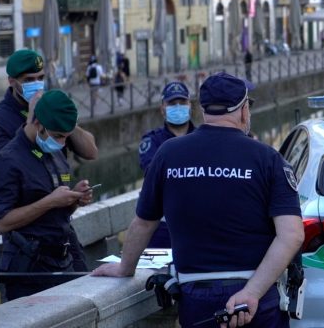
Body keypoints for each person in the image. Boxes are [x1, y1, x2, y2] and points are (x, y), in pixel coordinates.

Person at [93, 72, 303, 328]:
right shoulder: (268, 158)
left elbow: (143, 222)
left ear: (203, 110)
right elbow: (291, 235)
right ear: (243, 109)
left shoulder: (168, 154)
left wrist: (125, 267)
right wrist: (253, 292)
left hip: (196, 297)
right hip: (254, 297)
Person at [0, 90, 94, 300]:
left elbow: (59, 209)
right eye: (58, 136)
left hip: (63, 258)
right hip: (28, 268)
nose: (62, 143)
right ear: (38, 123)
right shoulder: (8, 160)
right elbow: (0, 223)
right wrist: (49, 202)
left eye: (66, 137)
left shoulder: (55, 150)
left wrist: (75, 198)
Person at [0, 49, 98, 160]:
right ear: (12, 81)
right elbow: (3, 164)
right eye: (29, 79)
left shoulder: (50, 106)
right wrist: (29, 125)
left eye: (41, 78)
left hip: (62, 177)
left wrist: (66, 120)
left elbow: (91, 153)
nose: (36, 84)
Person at [137, 81, 196, 248]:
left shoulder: (202, 137)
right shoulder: (152, 140)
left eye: (182, 102)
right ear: (162, 108)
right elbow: (153, 173)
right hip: (161, 227)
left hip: (197, 225)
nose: (178, 107)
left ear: (190, 105)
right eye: (172, 103)